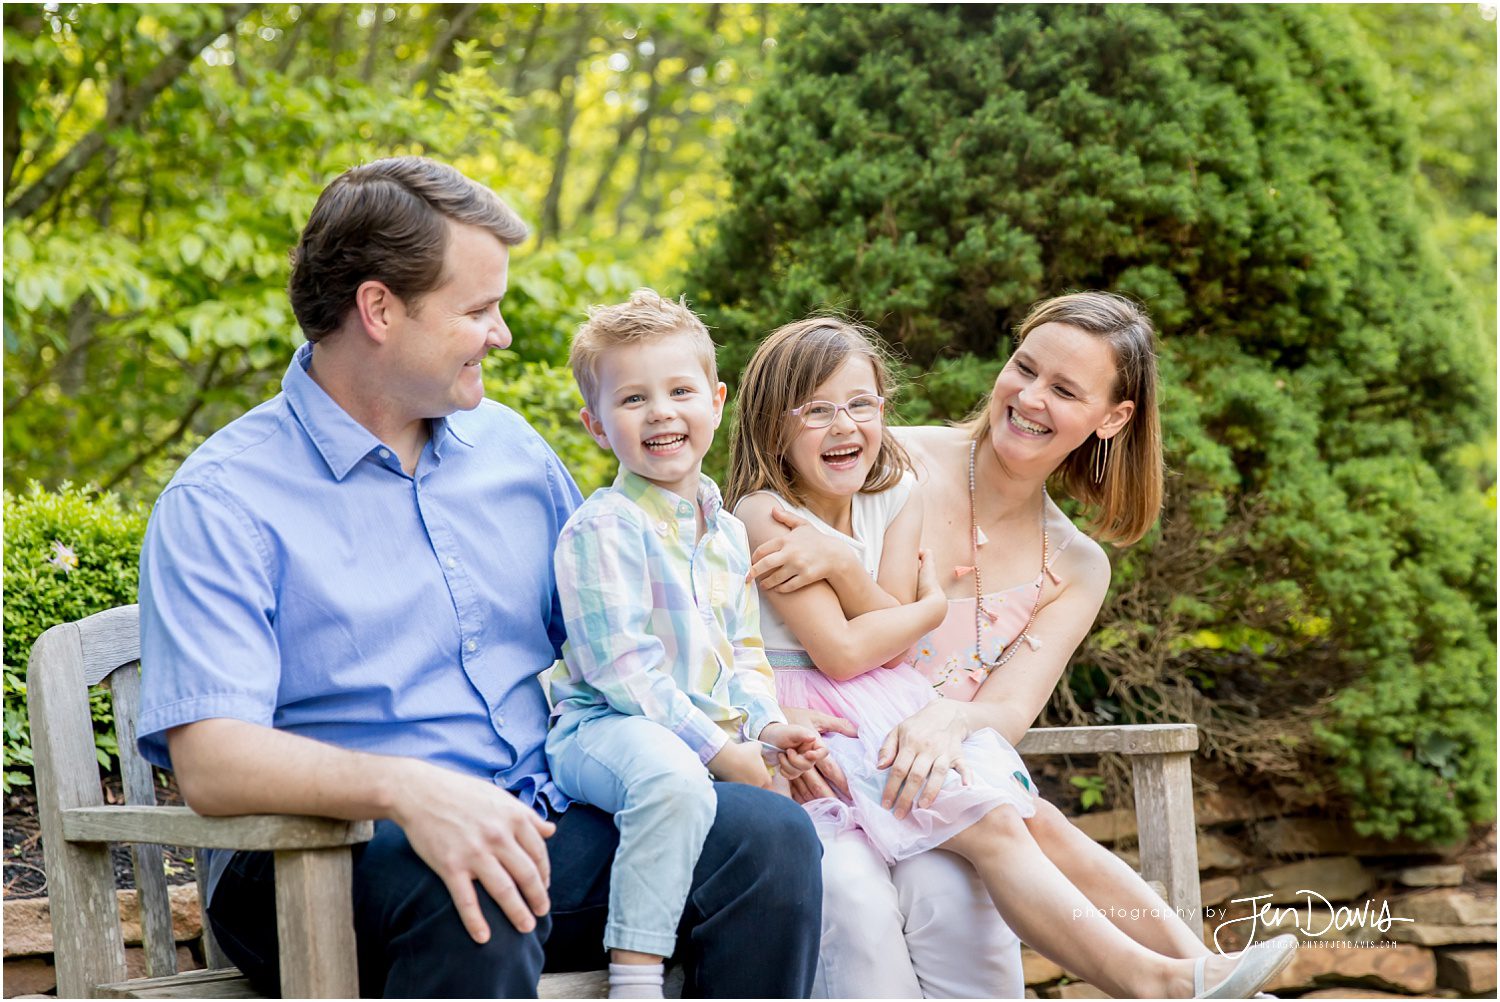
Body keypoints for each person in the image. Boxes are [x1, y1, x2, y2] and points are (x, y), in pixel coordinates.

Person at [135, 157, 823, 998]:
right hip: (322, 855)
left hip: (539, 819)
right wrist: (413, 793)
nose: (500, 334)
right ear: (379, 309)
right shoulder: (223, 499)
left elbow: (612, 639)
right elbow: (212, 762)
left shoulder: (510, 452)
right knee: (475, 887)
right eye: (477, 310)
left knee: (766, 840)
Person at [728, 312, 1295, 999]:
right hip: (850, 751)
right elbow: (770, 602)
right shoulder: (888, 461)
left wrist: (949, 721)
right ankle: (1174, 978)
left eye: (1064, 389)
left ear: (1112, 419)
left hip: (939, 763)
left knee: (1025, 824)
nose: (1029, 398)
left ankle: (1194, 973)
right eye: (1024, 369)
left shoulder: (1077, 565)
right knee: (1011, 827)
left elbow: (1009, 708)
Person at [544, 290, 827, 999]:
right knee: (672, 778)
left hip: (690, 730)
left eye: (679, 391)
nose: (661, 411)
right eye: (633, 399)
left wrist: (763, 727)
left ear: (717, 401)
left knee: (772, 806)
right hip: (603, 728)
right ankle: (635, 975)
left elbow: (743, 653)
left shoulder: (726, 531)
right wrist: (722, 752)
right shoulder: (602, 527)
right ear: (598, 426)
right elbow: (623, 672)